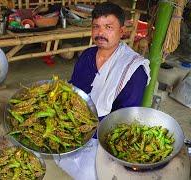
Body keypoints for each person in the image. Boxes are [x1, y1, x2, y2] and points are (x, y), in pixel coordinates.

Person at [55, 2, 150, 179]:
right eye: (96, 27)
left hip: (102, 139)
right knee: (56, 154)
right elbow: (73, 90)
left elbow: (124, 120)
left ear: (121, 31)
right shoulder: (87, 55)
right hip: (73, 126)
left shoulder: (133, 70)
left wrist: (86, 129)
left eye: (108, 27)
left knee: (89, 174)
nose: (100, 33)